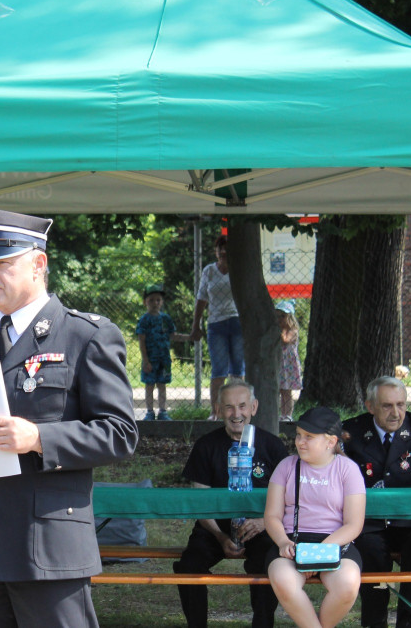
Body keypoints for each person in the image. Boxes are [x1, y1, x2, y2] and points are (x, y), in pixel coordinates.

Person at [0, 207, 139, 628]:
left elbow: (120, 433)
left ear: (38, 264)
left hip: (48, 546)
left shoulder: (85, 335)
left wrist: (38, 438)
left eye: (2, 263)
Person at [341, 376, 411, 628]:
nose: (396, 413)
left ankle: (408, 622)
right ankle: (374, 623)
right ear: (370, 406)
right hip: (370, 524)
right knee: (368, 548)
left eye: (401, 404)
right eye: (387, 406)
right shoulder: (352, 433)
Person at [174, 379, 289, 628]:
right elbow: (201, 501)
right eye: (228, 407)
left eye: (242, 406)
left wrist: (263, 523)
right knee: (189, 564)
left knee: (269, 564)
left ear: (254, 407)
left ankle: (262, 623)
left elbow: (288, 498)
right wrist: (218, 535)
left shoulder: (273, 446)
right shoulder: (206, 446)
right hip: (215, 526)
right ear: (218, 409)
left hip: (261, 525)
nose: (236, 414)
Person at [265, 407, 366, 628]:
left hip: (336, 543)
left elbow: (354, 524)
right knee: (283, 579)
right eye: (299, 435)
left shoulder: (348, 469)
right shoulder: (286, 466)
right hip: (292, 543)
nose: (300, 441)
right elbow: (272, 516)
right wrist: (282, 542)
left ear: (330, 442)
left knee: (348, 584)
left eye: (308, 437)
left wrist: (318, 553)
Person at [191, 235, 244, 420]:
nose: (223, 252)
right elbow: (201, 297)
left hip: (237, 323)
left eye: (227, 248)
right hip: (216, 324)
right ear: (216, 251)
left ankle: (238, 412)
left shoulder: (240, 270)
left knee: (238, 370)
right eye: (220, 248)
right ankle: (216, 412)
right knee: (218, 370)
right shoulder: (209, 271)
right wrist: (195, 325)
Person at [135, 284, 187, 421]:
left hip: (164, 359)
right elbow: (141, 340)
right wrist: (145, 360)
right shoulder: (144, 320)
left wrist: (189, 337)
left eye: (158, 300)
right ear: (145, 302)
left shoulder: (166, 319)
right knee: (149, 385)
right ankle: (149, 412)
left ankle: (163, 411)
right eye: (151, 300)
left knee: (162, 385)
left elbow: (173, 335)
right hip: (150, 359)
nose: (155, 303)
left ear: (162, 302)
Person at [275, 300, 301, 422]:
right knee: (280, 390)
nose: (280, 319)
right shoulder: (279, 330)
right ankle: (282, 413)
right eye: (278, 316)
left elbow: (285, 340)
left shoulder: (292, 331)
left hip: (288, 365)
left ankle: (288, 415)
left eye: (283, 316)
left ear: (290, 317)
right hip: (280, 364)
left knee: (287, 391)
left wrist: (278, 331)